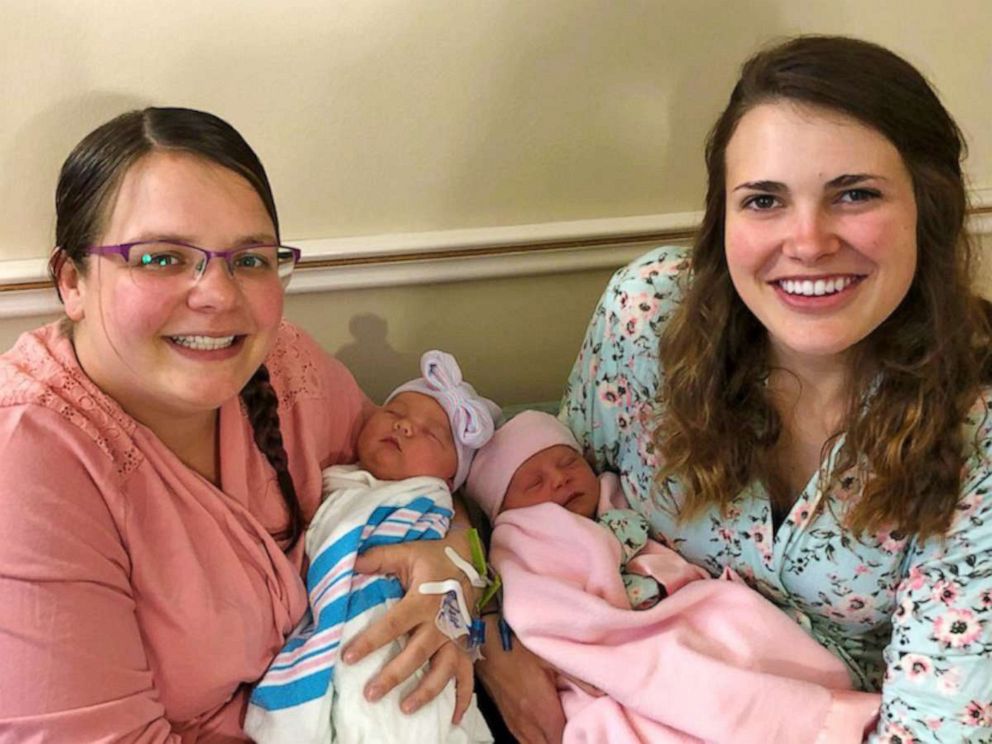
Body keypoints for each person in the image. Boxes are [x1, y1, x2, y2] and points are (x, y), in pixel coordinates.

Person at [479, 35, 992, 743]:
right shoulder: (646, 317)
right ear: (724, 217)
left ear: (927, 209)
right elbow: (537, 493)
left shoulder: (978, 428)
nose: (807, 242)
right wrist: (486, 627)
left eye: (854, 194)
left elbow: (940, 729)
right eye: (764, 200)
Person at [0, 108, 481, 742]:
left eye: (250, 260)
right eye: (162, 258)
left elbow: (428, 484)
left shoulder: (289, 370)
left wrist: (457, 576)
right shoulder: (31, 463)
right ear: (72, 282)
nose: (219, 295)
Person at [467, 411, 879, 743]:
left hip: (685, 611)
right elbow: (541, 611)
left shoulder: (619, 496)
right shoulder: (523, 537)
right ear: (505, 510)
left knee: (737, 633)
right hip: (611, 647)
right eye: (534, 482)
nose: (559, 479)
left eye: (568, 462)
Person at [246, 350, 498, 743]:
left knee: (397, 706)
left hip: (395, 620)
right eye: (395, 410)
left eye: (432, 432)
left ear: (451, 481)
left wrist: (460, 581)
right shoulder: (329, 480)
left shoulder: (432, 502)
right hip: (326, 624)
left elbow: (468, 562)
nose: (406, 426)